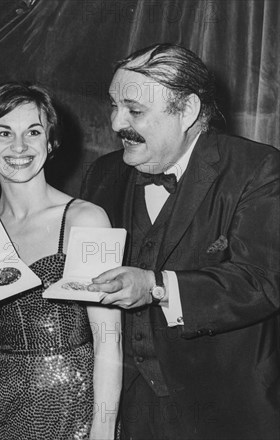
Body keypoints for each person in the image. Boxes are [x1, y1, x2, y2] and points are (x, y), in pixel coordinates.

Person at [81, 43, 280, 439]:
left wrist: (156, 287)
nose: (117, 122)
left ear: (187, 110)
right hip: (131, 411)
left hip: (228, 409)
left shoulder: (257, 169)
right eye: (114, 105)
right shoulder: (102, 175)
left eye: (135, 110)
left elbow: (262, 281)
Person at [0, 82, 122, 439]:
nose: (19, 146)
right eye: (4, 132)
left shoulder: (85, 219)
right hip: (8, 409)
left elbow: (109, 341)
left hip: (80, 410)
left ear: (50, 143)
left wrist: (103, 431)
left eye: (33, 132)